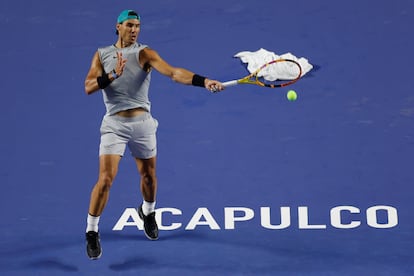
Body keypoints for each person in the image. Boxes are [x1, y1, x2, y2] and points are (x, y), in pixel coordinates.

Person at [83, 9, 224, 260]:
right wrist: (113, 74)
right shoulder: (102, 54)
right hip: (114, 125)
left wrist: (203, 81)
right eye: (129, 25)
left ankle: (147, 212)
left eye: (137, 26)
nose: (134, 30)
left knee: (148, 177)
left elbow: (173, 73)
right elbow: (88, 87)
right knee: (105, 179)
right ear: (117, 27)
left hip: (143, 125)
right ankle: (92, 231)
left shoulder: (144, 53)